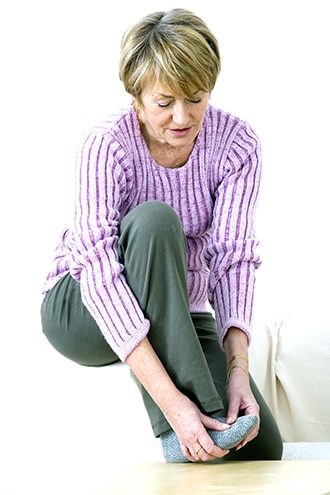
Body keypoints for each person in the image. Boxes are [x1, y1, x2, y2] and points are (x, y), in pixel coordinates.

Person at [40, 8, 283, 463]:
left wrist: (237, 370)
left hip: (177, 308)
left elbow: (233, 259)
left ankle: (215, 416)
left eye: (196, 97)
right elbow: (96, 266)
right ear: (136, 97)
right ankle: (187, 431)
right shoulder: (107, 143)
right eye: (164, 101)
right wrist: (174, 405)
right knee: (155, 220)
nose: (182, 116)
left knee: (263, 447)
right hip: (81, 307)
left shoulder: (236, 145)